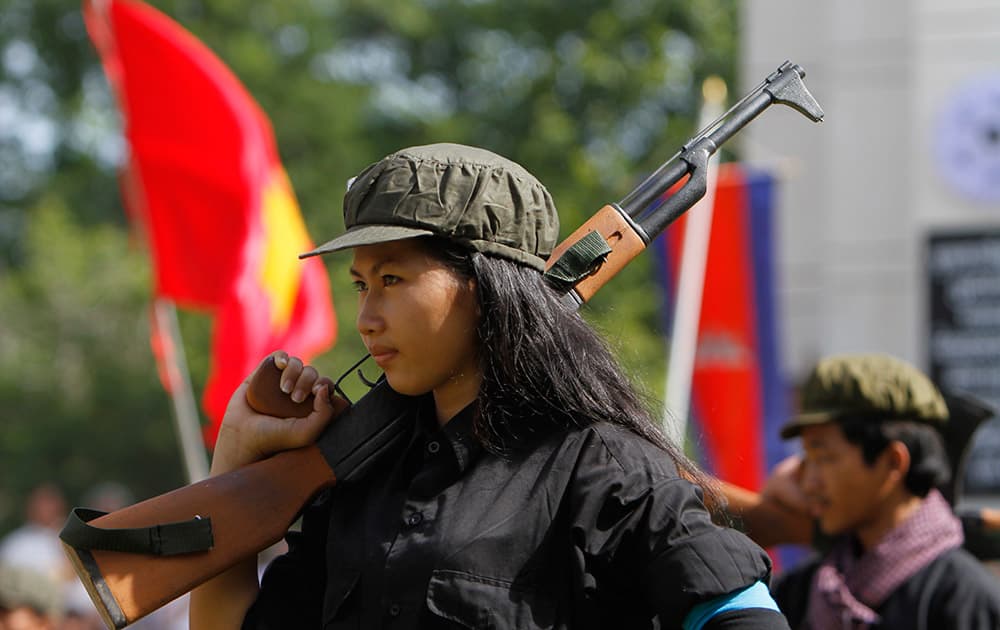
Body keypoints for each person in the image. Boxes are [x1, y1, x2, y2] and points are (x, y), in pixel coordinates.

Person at [190, 143, 789, 628]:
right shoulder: (360, 476)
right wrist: (236, 458)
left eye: (392, 278)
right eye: (360, 284)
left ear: (485, 285)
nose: (366, 316)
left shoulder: (603, 467)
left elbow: (742, 615)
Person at [762, 353, 1000, 629]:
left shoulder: (962, 598)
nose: (809, 482)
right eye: (807, 459)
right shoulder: (803, 589)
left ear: (892, 461)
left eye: (824, 457)